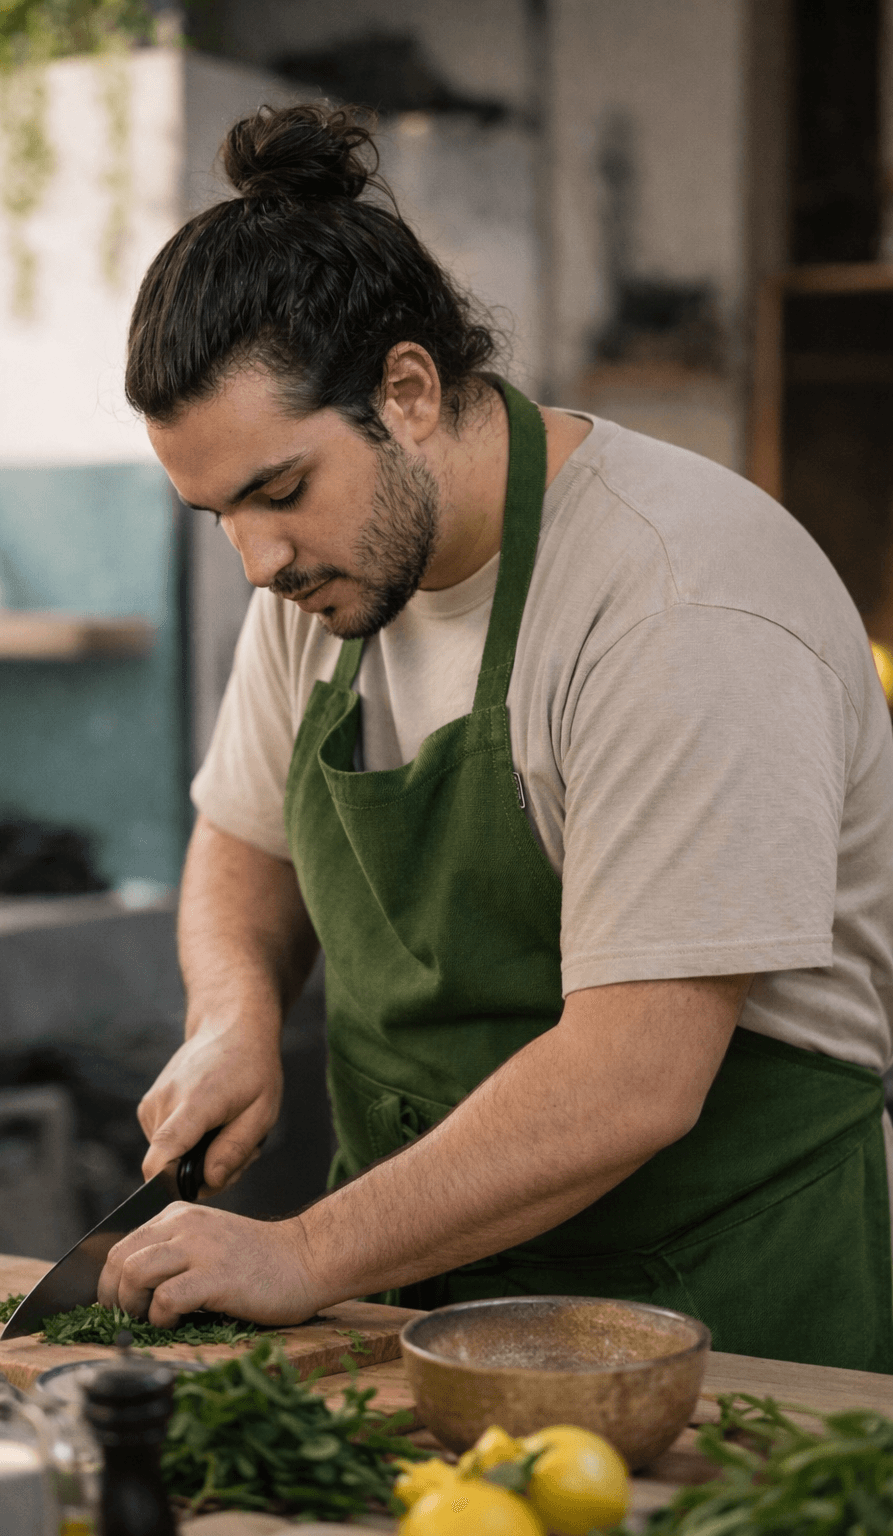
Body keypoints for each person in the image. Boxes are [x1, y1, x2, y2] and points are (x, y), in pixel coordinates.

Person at [97, 104, 893, 1372]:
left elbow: (635, 1075)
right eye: (216, 515)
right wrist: (233, 1013)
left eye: (280, 490)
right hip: (411, 1293)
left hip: (717, 1323)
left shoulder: (680, 600)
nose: (257, 559)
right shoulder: (331, 578)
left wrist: (303, 1252)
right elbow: (242, 840)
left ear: (407, 391)